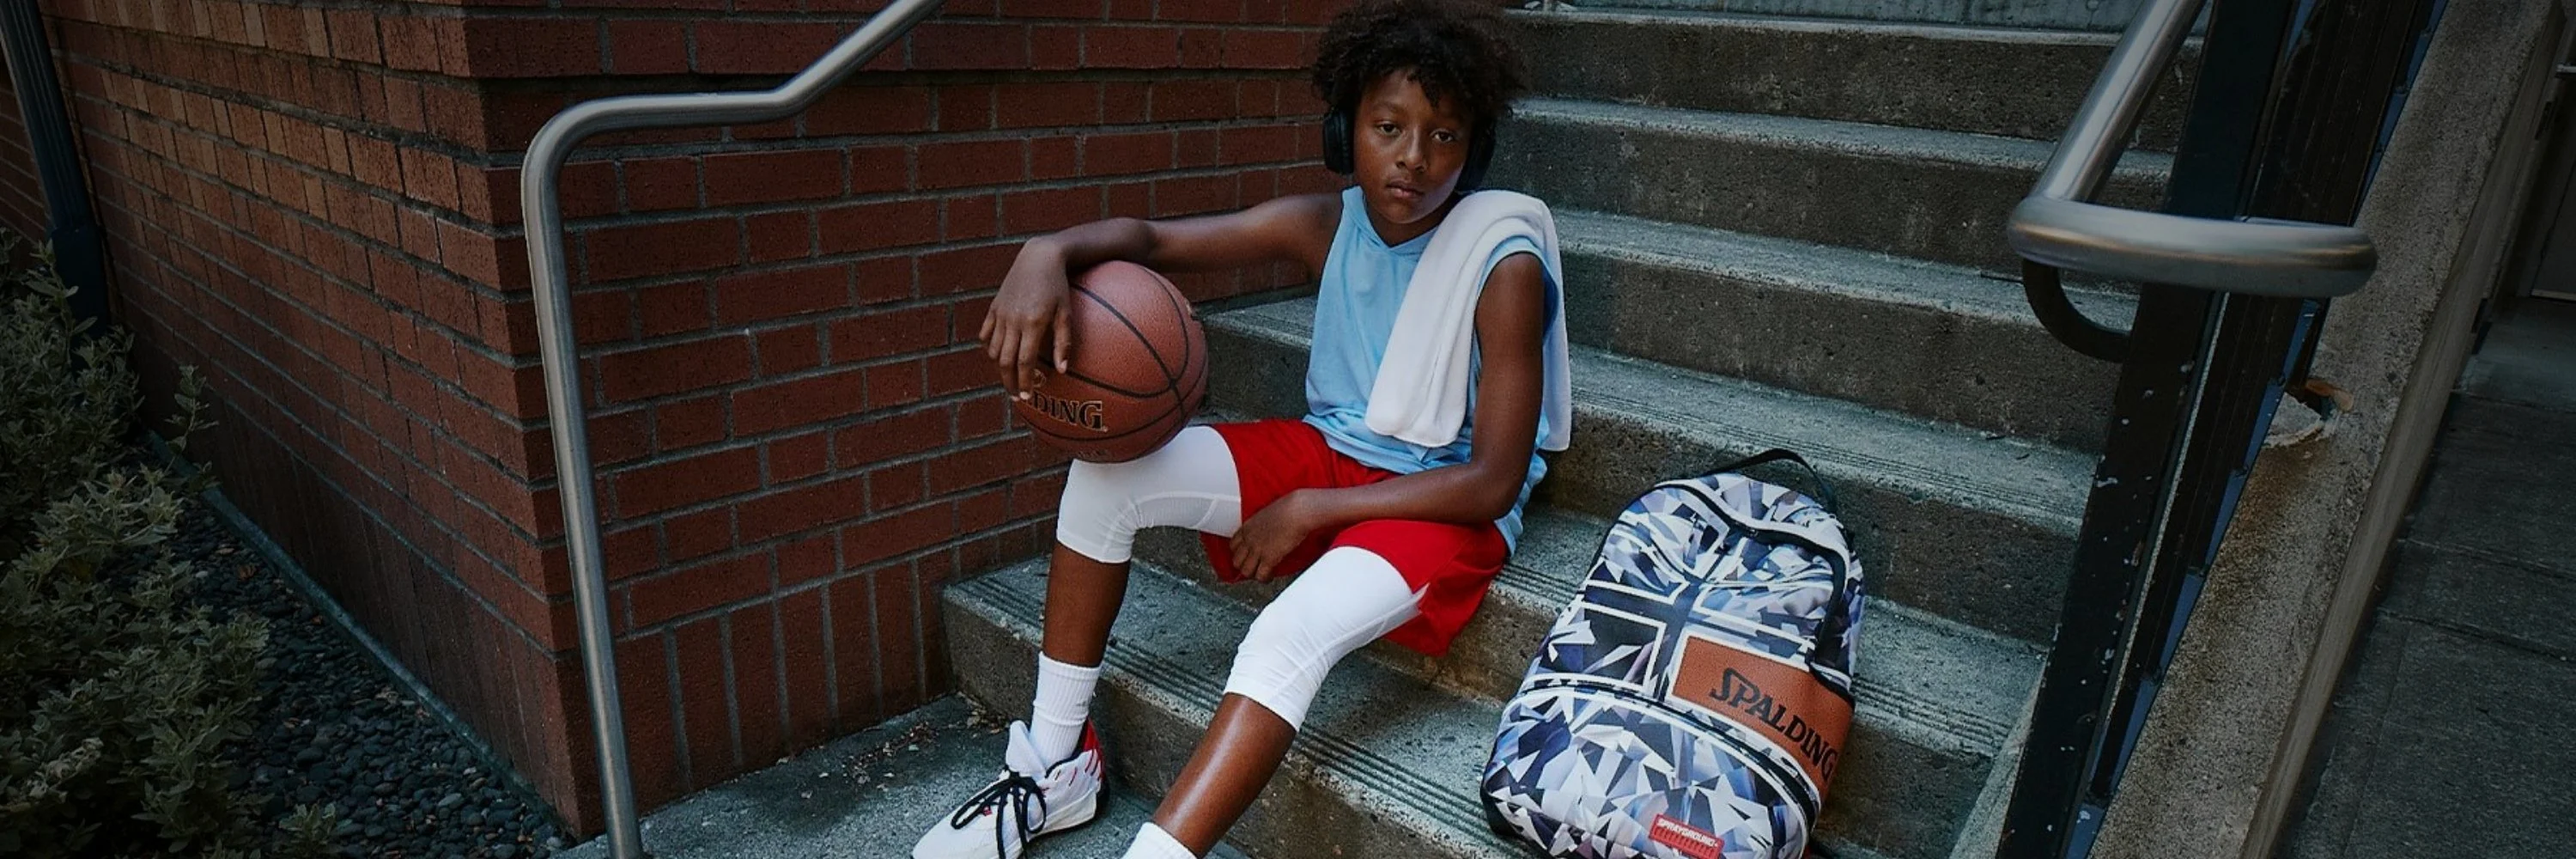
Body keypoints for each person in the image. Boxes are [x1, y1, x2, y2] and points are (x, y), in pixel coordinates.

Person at [913, 2, 1562, 856]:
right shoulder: (1325, 224)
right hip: (1335, 451)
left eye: (1444, 136)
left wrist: (1310, 509)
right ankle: (1054, 766)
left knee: (1286, 632)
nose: (1413, 157)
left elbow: (1492, 482)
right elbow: (1156, 240)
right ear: (1346, 133)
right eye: (1388, 126)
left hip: (1442, 505)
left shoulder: (1502, 265)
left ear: (1473, 151)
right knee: (1106, 476)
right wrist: (1049, 249)